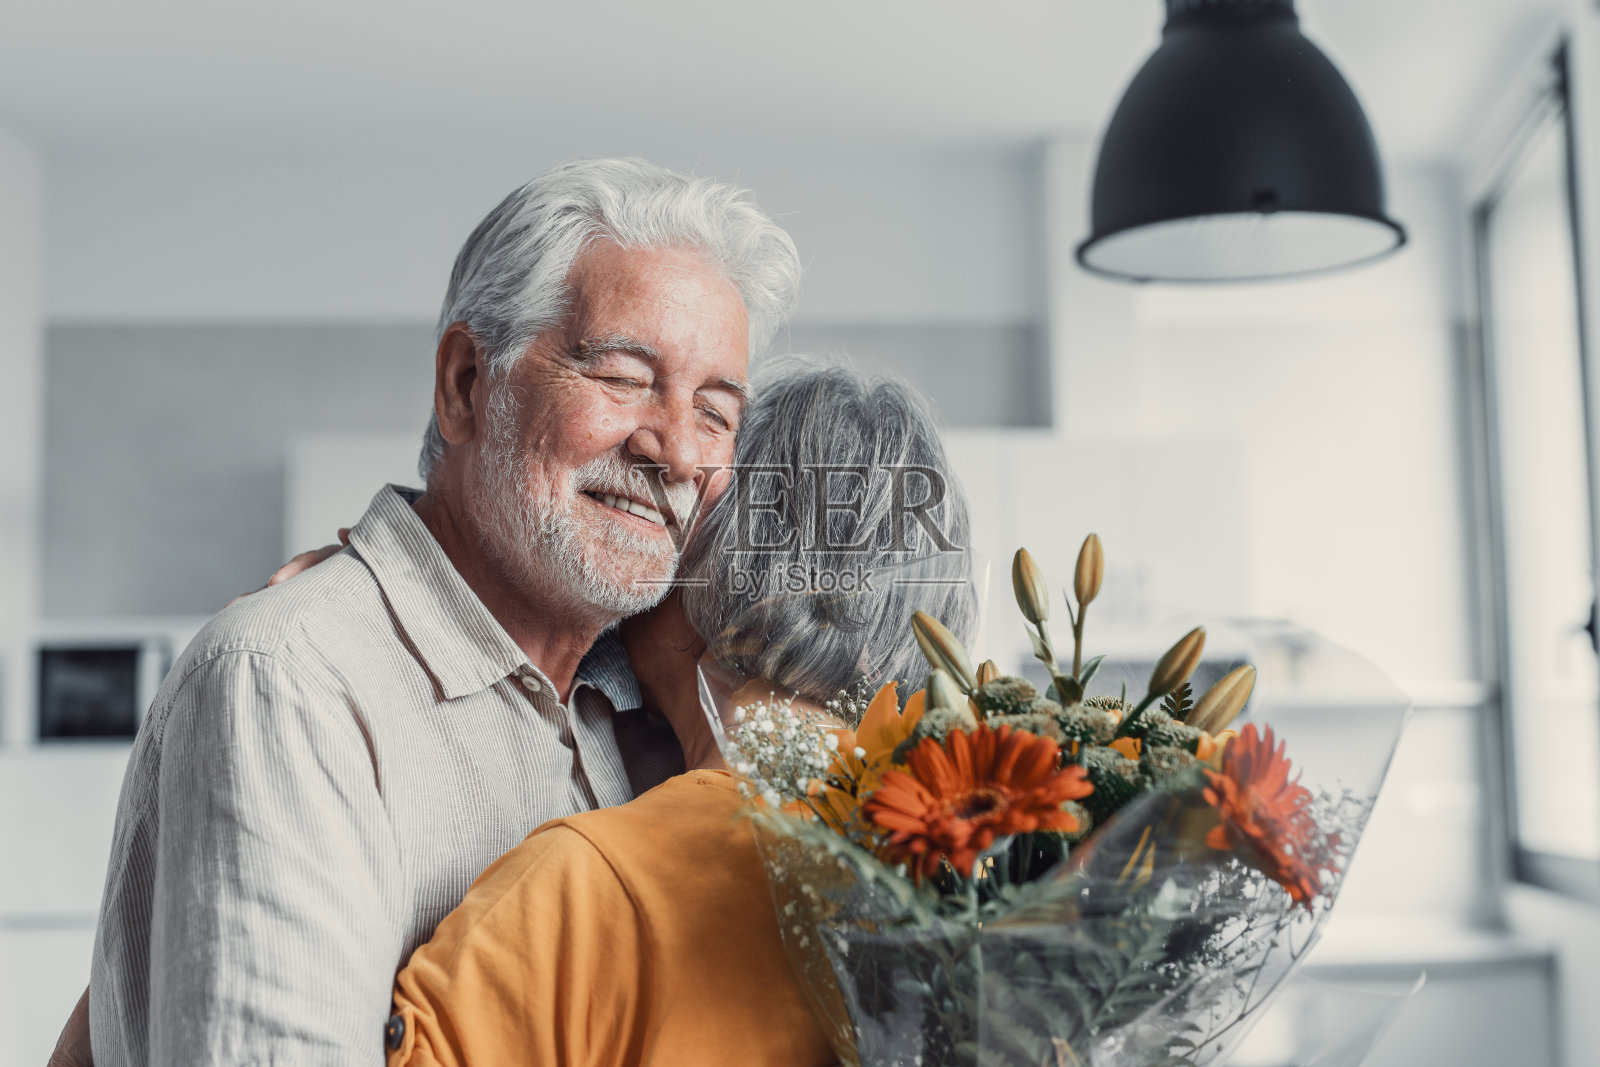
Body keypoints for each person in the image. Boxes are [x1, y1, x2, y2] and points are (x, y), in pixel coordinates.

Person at [78, 158, 803, 1067]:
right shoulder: (293, 681)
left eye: (715, 411)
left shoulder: (650, 703)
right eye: (623, 376)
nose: (677, 453)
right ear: (465, 382)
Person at [383, 359, 977, 1067]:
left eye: (671, 502)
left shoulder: (583, 893)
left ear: (713, 546)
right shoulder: (983, 870)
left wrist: (380, 589)